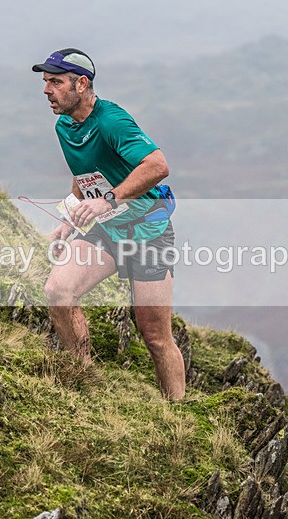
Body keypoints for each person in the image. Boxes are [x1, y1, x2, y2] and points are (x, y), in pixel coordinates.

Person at [32, 48, 186, 401]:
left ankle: (177, 411)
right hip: (108, 231)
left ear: (81, 83)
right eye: (45, 82)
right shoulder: (65, 126)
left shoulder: (112, 121)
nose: (46, 90)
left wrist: (110, 199)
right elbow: (84, 175)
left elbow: (158, 165)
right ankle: (84, 380)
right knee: (58, 290)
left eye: (55, 82)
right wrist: (70, 218)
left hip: (149, 232)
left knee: (156, 337)